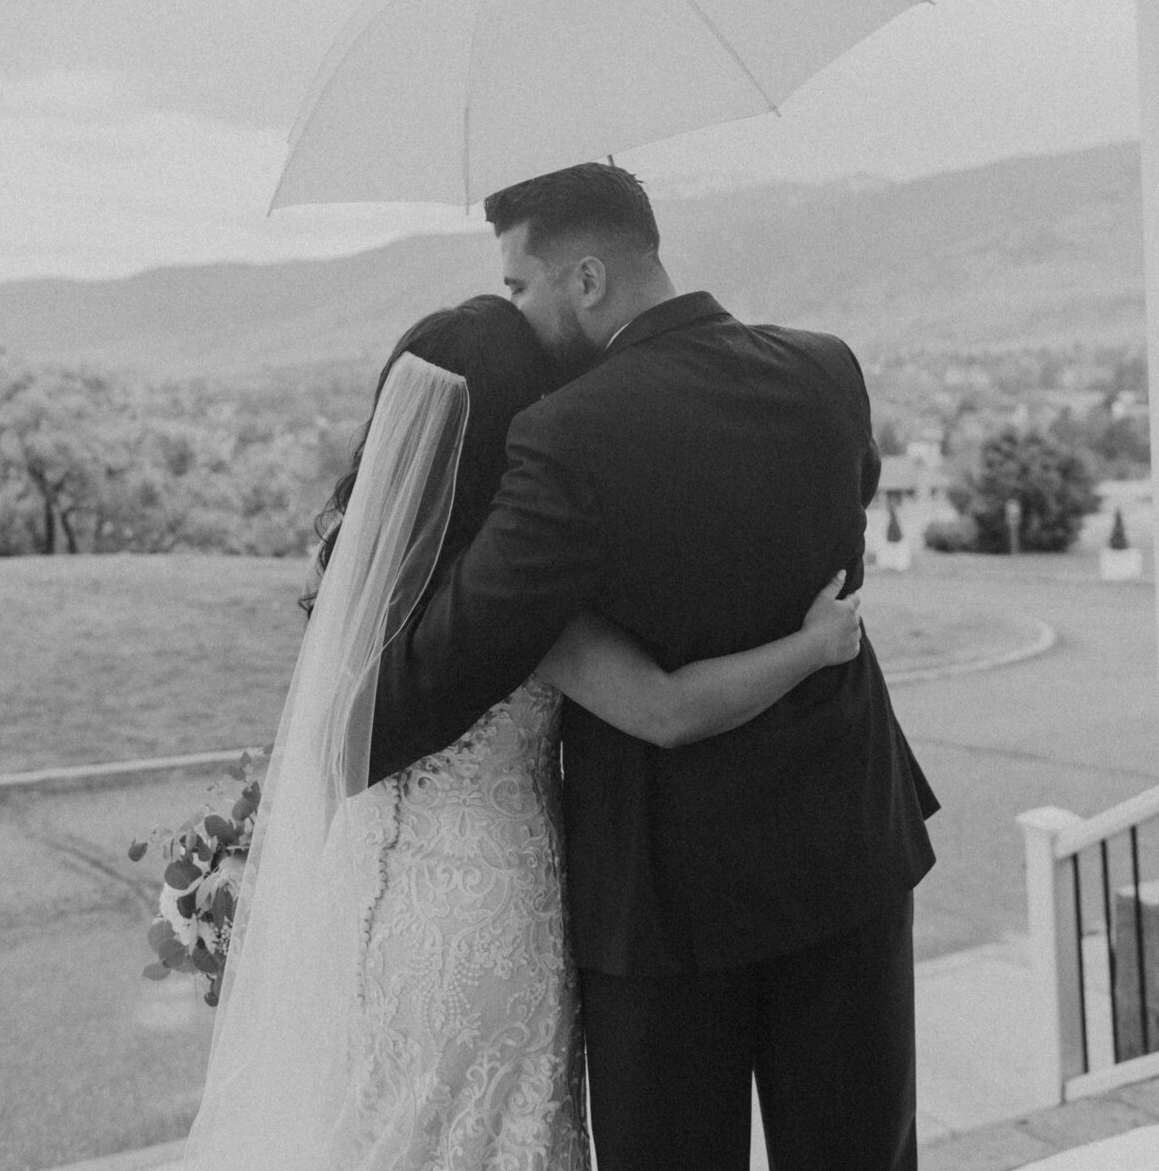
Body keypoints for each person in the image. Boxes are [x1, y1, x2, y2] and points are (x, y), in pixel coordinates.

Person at [180, 292, 863, 1171]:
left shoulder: (371, 583)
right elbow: (666, 709)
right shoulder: (516, 599)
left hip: (383, 916)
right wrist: (813, 647)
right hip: (491, 922)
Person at [371, 164, 939, 1171]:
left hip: (666, 904)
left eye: (521, 288)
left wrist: (354, 661)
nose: (520, 314)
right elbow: (838, 553)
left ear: (585, 279)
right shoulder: (825, 369)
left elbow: (447, 665)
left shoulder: (565, 438)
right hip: (844, 846)